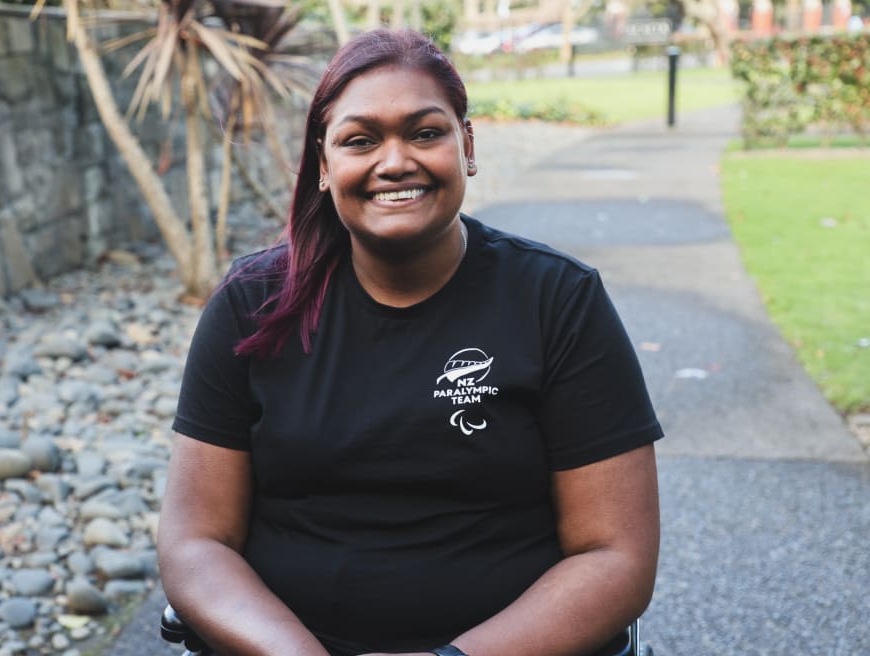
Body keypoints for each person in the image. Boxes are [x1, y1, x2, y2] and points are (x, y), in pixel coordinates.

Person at [158, 29, 663, 656]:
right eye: (360, 140)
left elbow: (616, 555)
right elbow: (195, 542)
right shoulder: (250, 305)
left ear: (466, 145)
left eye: (425, 133)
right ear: (323, 164)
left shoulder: (556, 301)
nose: (394, 162)